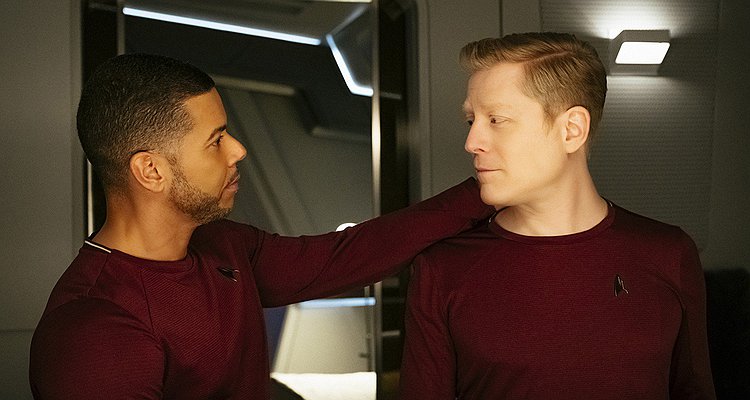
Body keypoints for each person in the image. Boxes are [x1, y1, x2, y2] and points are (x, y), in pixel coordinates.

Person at [28, 53, 494, 399]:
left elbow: (350, 254)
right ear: (151, 170)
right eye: (216, 141)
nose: (238, 150)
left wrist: (487, 187)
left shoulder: (224, 246)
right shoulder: (93, 328)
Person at [398, 32, 716, 399]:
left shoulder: (670, 254)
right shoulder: (441, 269)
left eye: (496, 119)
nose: (472, 142)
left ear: (571, 130)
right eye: (472, 120)